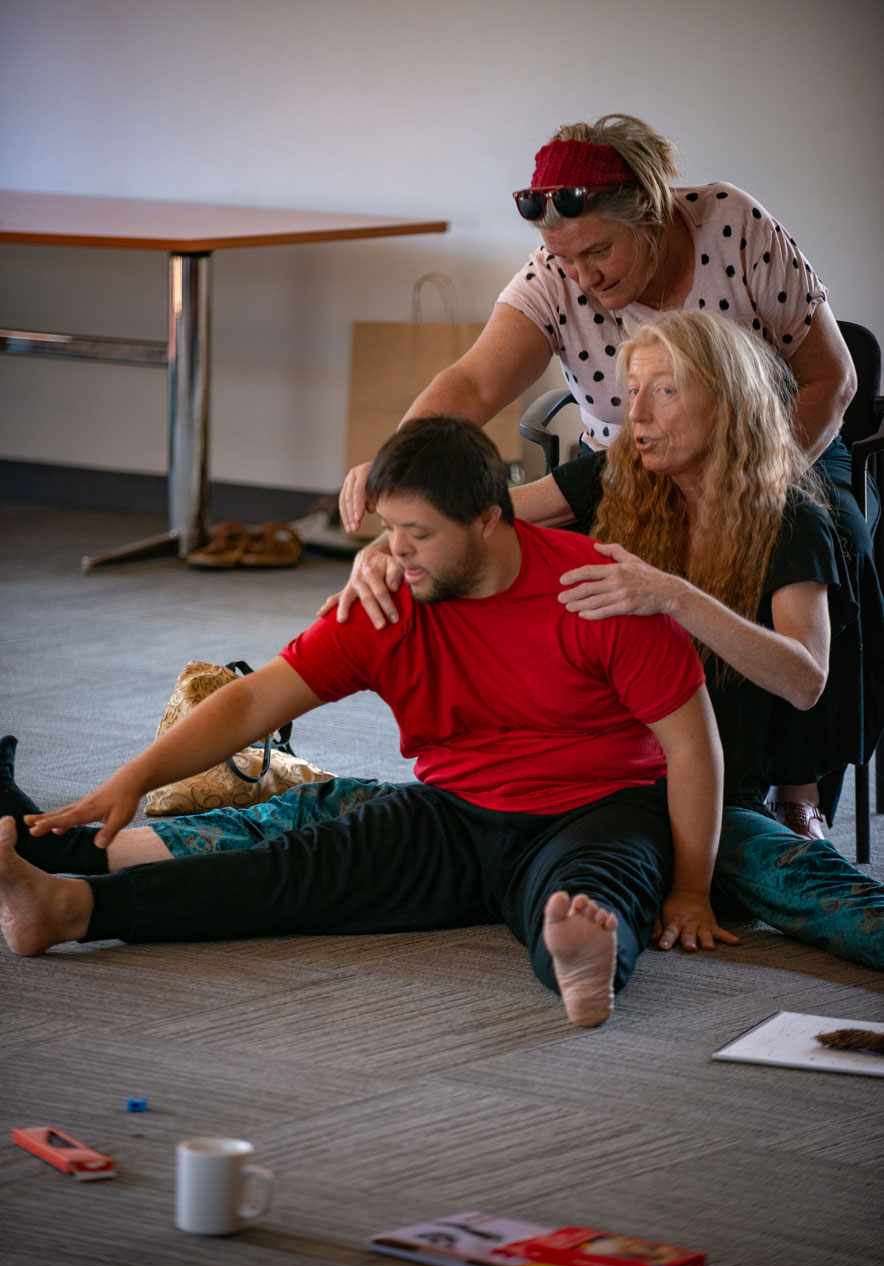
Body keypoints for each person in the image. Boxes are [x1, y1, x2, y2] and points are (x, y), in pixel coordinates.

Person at [0, 418, 734, 1030]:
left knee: (588, 895)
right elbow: (256, 701)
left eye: (417, 532)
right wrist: (134, 777)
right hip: (453, 813)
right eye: (388, 530)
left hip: (595, 810)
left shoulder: (596, 587)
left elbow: (692, 744)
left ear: (489, 518)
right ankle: (70, 908)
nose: (393, 552)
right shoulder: (388, 600)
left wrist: (692, 890)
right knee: (288, 872)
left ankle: (580, 966)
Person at [334, 113, 884, 834]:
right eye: (564, 258)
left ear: (651, 215)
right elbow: (471, 388)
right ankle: (587, 760)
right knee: (563, 570)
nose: (582, 276)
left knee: (825, 541)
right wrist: (403, 503)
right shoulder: (555, 276)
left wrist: (746, 487)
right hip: (634, 462)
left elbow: (834, 380)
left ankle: (798, 788)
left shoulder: (733, 225)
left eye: (597, 251)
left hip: (780, 443)